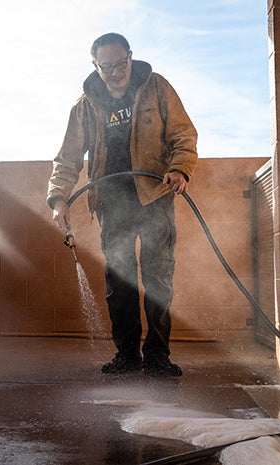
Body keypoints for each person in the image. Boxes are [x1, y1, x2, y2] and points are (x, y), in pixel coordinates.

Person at [46, 32, 199, 377]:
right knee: (120, 282)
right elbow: (67, 158)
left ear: (131, 56)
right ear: (95, 65)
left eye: (120, 63)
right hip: (111, 202)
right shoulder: (85, 105)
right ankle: (128, 354)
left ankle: (158, 356)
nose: (115, 72)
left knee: (158, 278)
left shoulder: (156, 88)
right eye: (106, 66)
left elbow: (183, 135)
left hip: (153, 195)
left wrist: (179, 169)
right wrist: (58, 198)